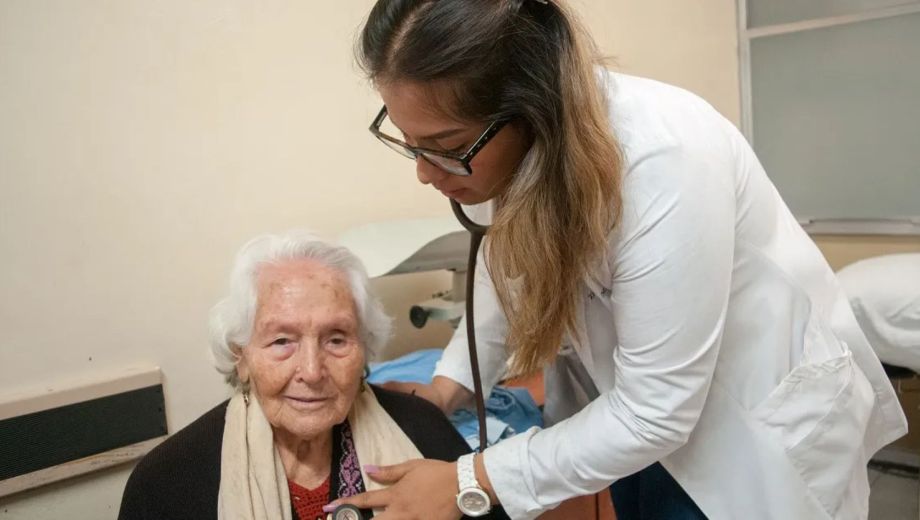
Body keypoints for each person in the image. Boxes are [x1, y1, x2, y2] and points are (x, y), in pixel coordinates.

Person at [329, 1, 909, 519]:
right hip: (634, 426)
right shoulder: (515, 156)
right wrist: (451, 384)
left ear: (535, 109)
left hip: (748, 430)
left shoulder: (664, 161)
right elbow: (503, 261)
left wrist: (467, 481)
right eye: (412, 143)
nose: (427, 174)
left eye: (450, 149)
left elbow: (657, 411)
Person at [118, 231, 509, 520]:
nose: (311, 370)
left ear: (364, 347)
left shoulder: (421, 429)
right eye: (282, 341)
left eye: (336, 340)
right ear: (241, 356)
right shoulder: (168, 482)